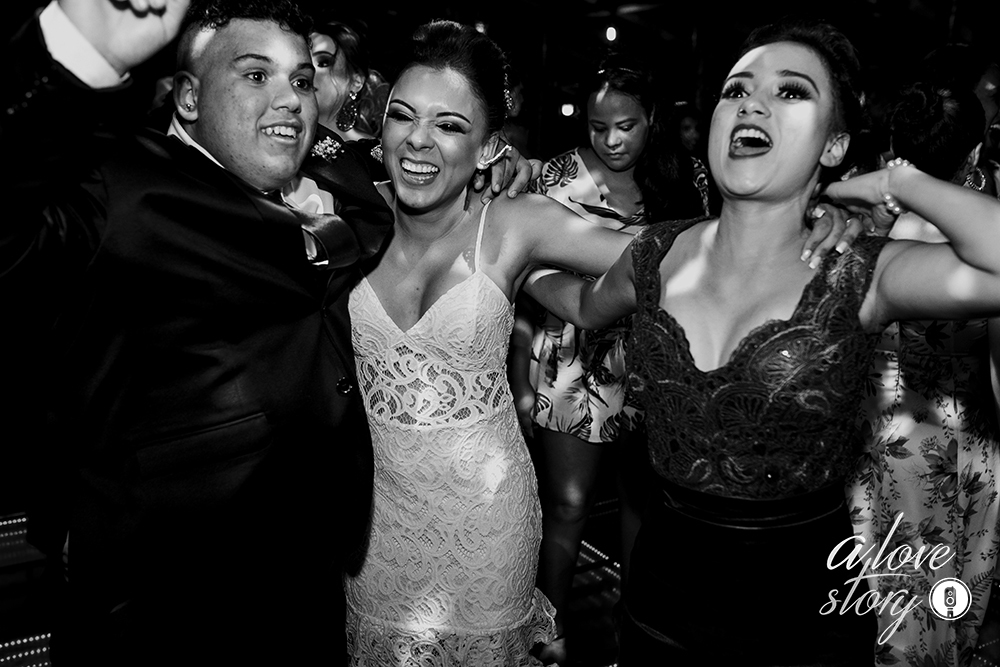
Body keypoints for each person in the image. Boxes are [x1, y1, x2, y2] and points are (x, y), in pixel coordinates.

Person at [523, 18, 1000, 665]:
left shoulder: (861, 270)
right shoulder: (656, 253)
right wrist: (507, 261)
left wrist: (897, 182)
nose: (752, 103)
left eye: (791, 92)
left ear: (834, 144)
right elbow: (579, 298)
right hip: (659, 610)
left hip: (805, 625)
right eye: (736, 89)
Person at [3, 0, 396, 663]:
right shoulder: (122, 190)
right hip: (165, 613)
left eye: (302, 81)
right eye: (254, 75)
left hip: (305, 591)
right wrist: (74, 49)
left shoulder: (334, 182)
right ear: (187, 98)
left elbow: (373, 210)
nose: (290, 100)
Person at [340, 19, 652, 666]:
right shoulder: (345, 211)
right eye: (403, 116)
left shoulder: (509, 223)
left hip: (486, 526)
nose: (419, 139)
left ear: (488, 145)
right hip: (372, 528)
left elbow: (649, 257)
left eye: (451, 124)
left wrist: (771, 220)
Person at [508, 54, 710, 665]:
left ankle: (635, 633)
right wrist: (520, 372)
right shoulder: (553, 180)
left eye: (627, 125)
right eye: (599, 127)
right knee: (567, 504)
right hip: (574, 359)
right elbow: (520, 282)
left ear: (652, 118)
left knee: (643, 505)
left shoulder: (688, 178)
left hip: (655, 360)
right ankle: (547, 634)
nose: (613, 139)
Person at [849, 81, 1000, 666]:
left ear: (893, 147)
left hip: (884, 443)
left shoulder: (860, 231)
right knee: (954, 611)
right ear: (971, 156)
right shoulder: (980, 247)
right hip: (971, 445)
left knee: (896, 620)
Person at [310, 15, 390, 141]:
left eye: (324, 62)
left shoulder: (374, 154)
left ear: (356, 82)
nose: (309, 72)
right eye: (305, 64)